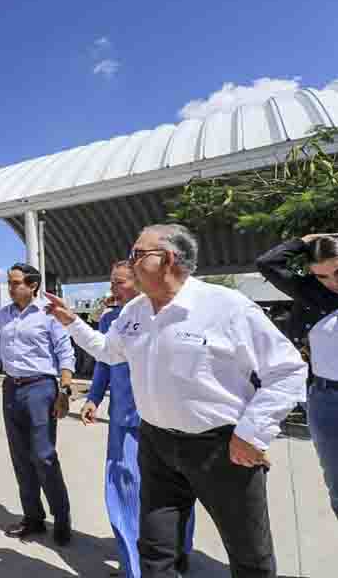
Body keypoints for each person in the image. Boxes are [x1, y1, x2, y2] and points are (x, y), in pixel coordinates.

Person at [44, 224, 307, 578]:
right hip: (157, 446)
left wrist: (252, 432)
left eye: (137, 254)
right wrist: (72, 321)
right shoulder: (135, 311)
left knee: (249, 556)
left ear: (166, 258)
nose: (129, 262)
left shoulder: (226, 307)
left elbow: (287, 370)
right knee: (155, 551)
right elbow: (108, 352)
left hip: (222, 449)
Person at [81, 261, 196, 577]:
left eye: (119, 283)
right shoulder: (109, 319)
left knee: (175, 496)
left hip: (166, 421)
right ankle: (134, 567)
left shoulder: (165, 314)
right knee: (123, 496)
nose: (113, 290)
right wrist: (93, 398)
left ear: (142, 282)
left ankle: (178, 555)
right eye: (112, 282)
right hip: (123, 423)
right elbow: (105, 361)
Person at [0, 262, 76, 546]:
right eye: (8, 282)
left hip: (41, 389)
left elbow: (65, 354)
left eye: (16, 282)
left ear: (32, 285)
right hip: (11, 389)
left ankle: (62, 517)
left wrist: (64, 391)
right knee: (20, 457)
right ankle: (33, 518)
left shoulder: (48, 313)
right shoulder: (4, 314)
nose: (10, 287)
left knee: (43, 456)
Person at [257, 233, 338, 519]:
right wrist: (303, 241)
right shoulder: (312, 293)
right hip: (326, 399)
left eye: (337, 271)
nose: (332, 282)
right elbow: (268, 263)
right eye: (322, 276)